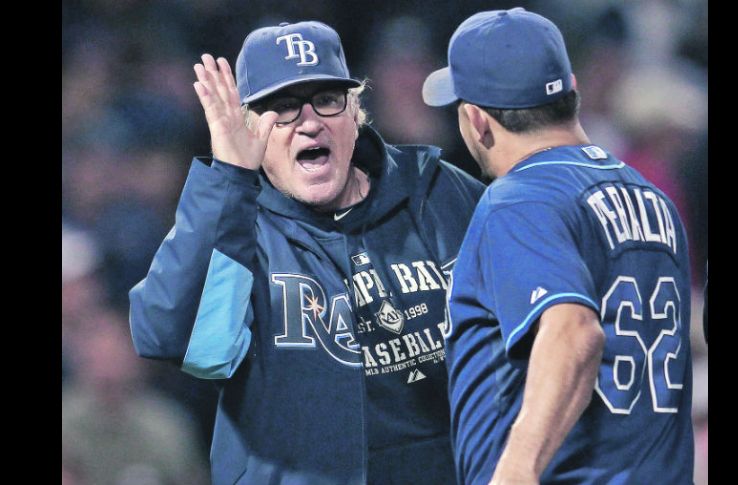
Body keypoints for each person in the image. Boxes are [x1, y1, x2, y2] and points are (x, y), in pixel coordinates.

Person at [129, 20, 485, 485]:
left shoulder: (437, 193)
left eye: (328, 100)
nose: (310, 121)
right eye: (283, 107)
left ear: (355, 114)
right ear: (250, 129)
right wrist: (229, 179)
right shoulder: (238, 227)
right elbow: (187, 345)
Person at [422, 8, 694, 485]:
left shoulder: (519, 200)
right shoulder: (652, 198)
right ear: (572, 89)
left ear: (476, 120)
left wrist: (515, 471)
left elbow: (574, 331)